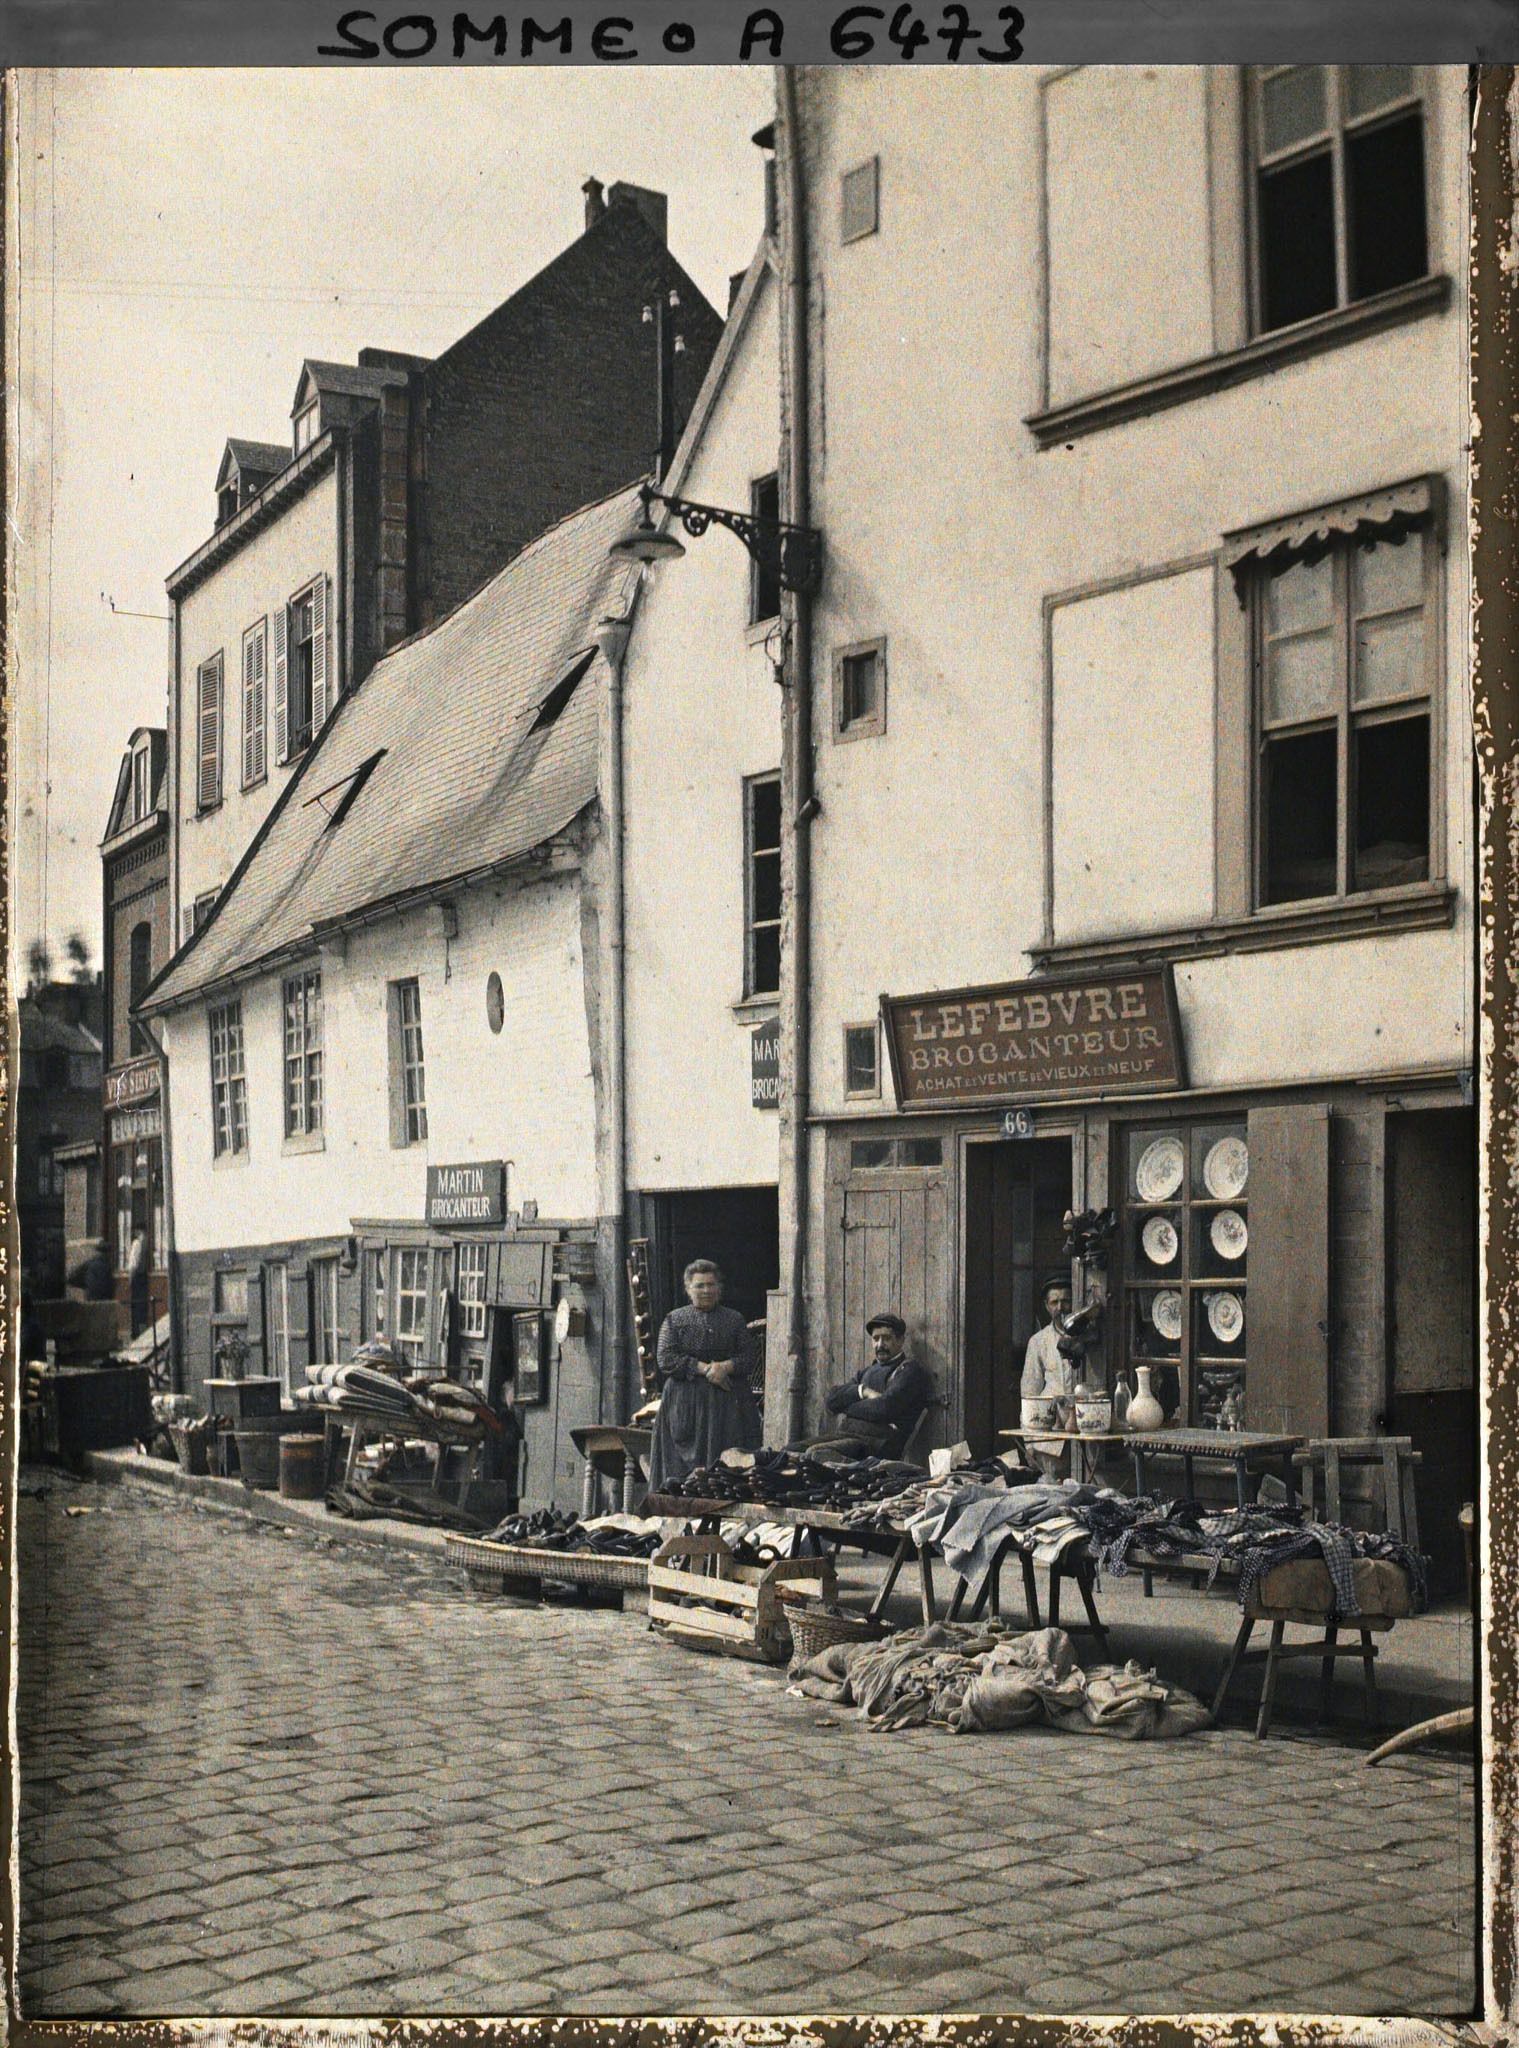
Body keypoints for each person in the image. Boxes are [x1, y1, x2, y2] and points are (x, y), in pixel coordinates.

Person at [647, 1260, 762, 1492]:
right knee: (678, 1472)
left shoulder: (734, 1319)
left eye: (711, 1285)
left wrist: (725, 1367)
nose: (706, 1291)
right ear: (688, 1289)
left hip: (727, 1402)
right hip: (684, 1402)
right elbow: (665, 1358)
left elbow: (749, 1357)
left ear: (719, 1288)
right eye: (699, 1286)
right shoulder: (674, 1320)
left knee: (727, 1461)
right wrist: (704, 1369)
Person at [794, 1313, 933, 1462]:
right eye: (876, 1339)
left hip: (877, 1444)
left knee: (814, 1454)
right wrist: (863, 1391)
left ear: (900, 1340)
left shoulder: (909, 1371)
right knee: (790, 1451)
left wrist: (847, 1407)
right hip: (846, 1435)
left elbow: (885, 1408)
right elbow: (832, 1400)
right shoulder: (867, 1372)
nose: (880, 1345)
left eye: (886, 1338)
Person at [1021, 1273, 1077, 1477]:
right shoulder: (1038, 1341)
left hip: (1082, 1430)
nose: (1061, 1307)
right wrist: (1029, 1443)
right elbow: (1029, 1393)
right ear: (1047, 1306)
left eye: (1066, 1301)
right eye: (1055, 1302)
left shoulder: (1087, 1337)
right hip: (1050, 1437)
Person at [67, 1238, 113, 1303]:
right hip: (105, 1303)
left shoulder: (90, 1264)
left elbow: (71, 1279)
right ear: (108, 1253)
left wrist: (86, 1285)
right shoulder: (107, 1267)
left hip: (91, 1302)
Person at [128, 1227, 150, 1339]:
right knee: (142, 1306)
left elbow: (133, 1263)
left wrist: (130, 1278)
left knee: (137, 1305)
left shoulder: (136, 1243)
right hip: (144, 1276)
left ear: (137, 1231)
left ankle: (137, 1332)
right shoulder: (146, 1242)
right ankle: (143, 1330)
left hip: (137, 1277)